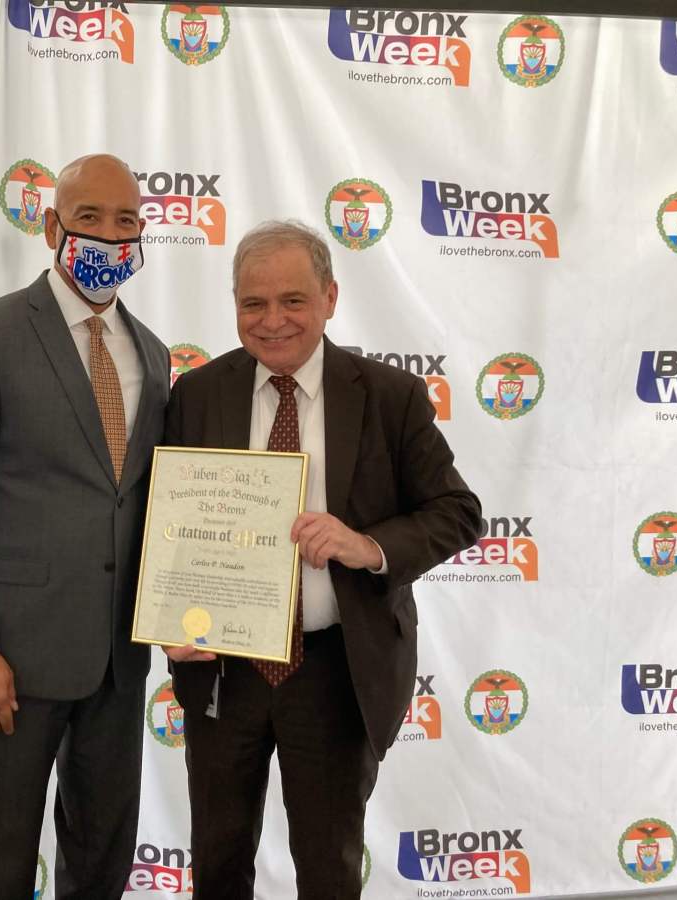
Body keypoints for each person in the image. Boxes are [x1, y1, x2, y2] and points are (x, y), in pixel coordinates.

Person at [165, 220, 482, 899]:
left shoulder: (390, 396)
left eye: (293, 300)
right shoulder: (196, 394)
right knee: (217, 861)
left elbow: (458, 512)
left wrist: (368, 546)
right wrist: (169, 616)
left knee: (329, 867)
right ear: (234, 305)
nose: (272, 320)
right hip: (223, 667)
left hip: (336, 668)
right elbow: (169, 522)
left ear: (330, 298)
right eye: (253, 303)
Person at [0, 153, 171, 899]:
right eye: (89, 217)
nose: (109, 236)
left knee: (101, 863)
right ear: (52, 226)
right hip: (8, 664)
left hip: (119, 663)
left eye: (125, 221)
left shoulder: (154, 353)